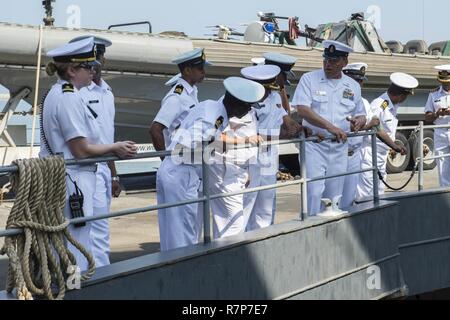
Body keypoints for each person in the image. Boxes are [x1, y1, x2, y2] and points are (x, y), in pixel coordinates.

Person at [40, 37, 137, 271]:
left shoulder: (58, 92)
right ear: (72, 70)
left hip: (66, 178)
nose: (92, 71)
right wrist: (115, 148)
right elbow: (81, 150)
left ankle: (69, 287)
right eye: (87, 66)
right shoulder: (69, 98)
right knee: (78, 248)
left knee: (64, 245)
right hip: (76, 180)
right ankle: (78, 290)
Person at [158, 77, 265, 250]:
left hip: (174, 170)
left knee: (173, 235)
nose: (248, 111)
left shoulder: (213, 107)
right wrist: (214, 147)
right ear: (239, 105)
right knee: (183, 237)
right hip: (182, 173)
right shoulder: (212, 116)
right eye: (248, 107)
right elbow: (186, 145)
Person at [291, 40, 367, 216]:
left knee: (334, 198)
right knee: (313, 193)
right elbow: (302, 109)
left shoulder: (353, 86)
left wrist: (360, 121)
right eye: (325, 60)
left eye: (333, 61)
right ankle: (310, 228)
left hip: (339, 147)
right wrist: (330, 127)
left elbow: (360, 113)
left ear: (344, 62)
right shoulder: (309, 79)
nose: (328, 64)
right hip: (314, 145)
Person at [70, 35, 117, 268]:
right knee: (89, 228)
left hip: (104, 170)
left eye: (98, 58)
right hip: (85, 170)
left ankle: (100, 273)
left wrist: (115, 174)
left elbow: (108, 136)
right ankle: (97, 275)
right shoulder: (77, 94)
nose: (96, 65)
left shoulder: (107, 92)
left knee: (101, 227)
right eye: (91, 61)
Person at [240, 63, 303, 231]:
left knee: (266, 206)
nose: (269, 92)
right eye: (266, 88)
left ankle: (262, 239)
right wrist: (281, 136)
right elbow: (249, 135)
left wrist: (300, 128)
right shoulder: (244, 101)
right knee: (246, 204)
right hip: (249, 158)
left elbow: (285, 118)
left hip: (269, 158)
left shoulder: (274, 97)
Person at [356, 73, 418, 200]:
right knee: (366, 192)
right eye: (405, 96)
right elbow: (377, 130)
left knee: (379, 190)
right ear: (401, 96)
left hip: (381, 155)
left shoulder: (392, 106)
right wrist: (395, 146)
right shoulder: (379, 105)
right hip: (369, 154)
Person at [150, 48, 211, 156]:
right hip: (177, 163)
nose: (203, 72)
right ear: (187, 71)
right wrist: (166, 160)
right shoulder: (177, 97)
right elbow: (155, 129)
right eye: (200, 68)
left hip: (188, 159)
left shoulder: (191, 93)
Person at [340, 63, 380, 209]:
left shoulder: (363, 102)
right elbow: (351, 126)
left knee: (349, 200)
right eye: (356, 81)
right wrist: (368, 124)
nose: (359, 84)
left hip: (355, 155)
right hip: (338, 153)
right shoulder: (339, 98)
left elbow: (374, 122)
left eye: (361, 81)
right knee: (331, 200)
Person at [424, 65, 450, 187]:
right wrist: (437, 113)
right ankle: (446, 194)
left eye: (447, 82)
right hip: (441, 132)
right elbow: (427, 116)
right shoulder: (433, 94)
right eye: (442, 82)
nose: (445, 84)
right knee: (442, 166)